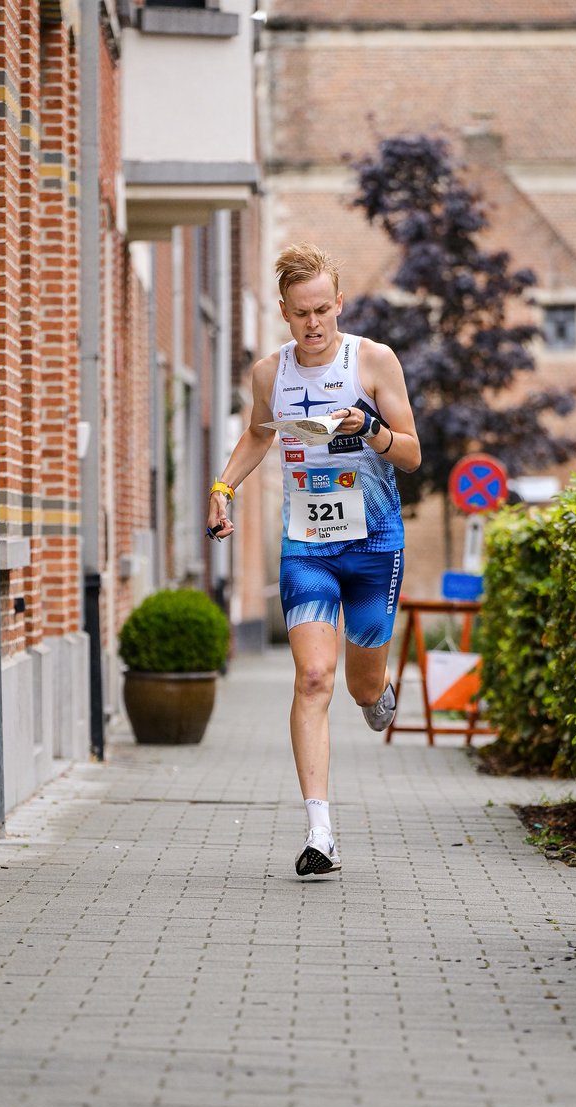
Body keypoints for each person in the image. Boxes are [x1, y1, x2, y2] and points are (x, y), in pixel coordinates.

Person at [207, 243, 421, 877]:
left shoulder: (373, 361)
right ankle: (320, 832)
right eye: (301, 314)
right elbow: (258, 432)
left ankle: (378, 688)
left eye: (323, 310)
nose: (314, 324)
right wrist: (223, 490)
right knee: (312, 678)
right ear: (284, 312)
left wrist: (371, 431)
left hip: (374, 545)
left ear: (338, 305)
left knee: (358, 684)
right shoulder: (270, 374)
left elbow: (410, 453)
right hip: (307, 547)